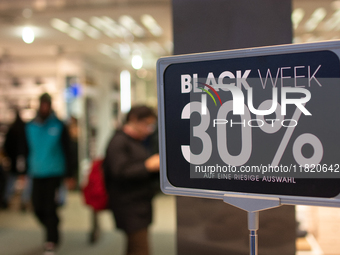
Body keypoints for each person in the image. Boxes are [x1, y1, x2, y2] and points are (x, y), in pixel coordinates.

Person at [103, 105, 160, 255]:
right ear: (134, 120)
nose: (148, 129)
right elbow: (120, 172)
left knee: (134, 248)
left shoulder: (135, 141)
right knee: (140, 248)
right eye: (146, 124)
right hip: (128, 206)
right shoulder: (119, 141)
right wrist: (147, 166)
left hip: (138, 204)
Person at [25, 93, 74, 255]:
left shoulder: (59, 125)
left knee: (50, 207)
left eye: (47, 104)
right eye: (42, 104)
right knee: (37, 206)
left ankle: (51, 240)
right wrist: (21, 171)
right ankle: (53, 225)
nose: (45, 107)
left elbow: (68, 150)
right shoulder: (30, 126)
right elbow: (24, 149)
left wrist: (69, 174)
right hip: (36, 172)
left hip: (54, 172)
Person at [2, 109, 29, 210]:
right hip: (22, 158)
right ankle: (24, 200)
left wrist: (8, 156)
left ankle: (7, 199)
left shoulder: (12, 129)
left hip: (14, 159)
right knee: (24, 181)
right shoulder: (24, 128)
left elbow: (6, 146)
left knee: (11, 180)